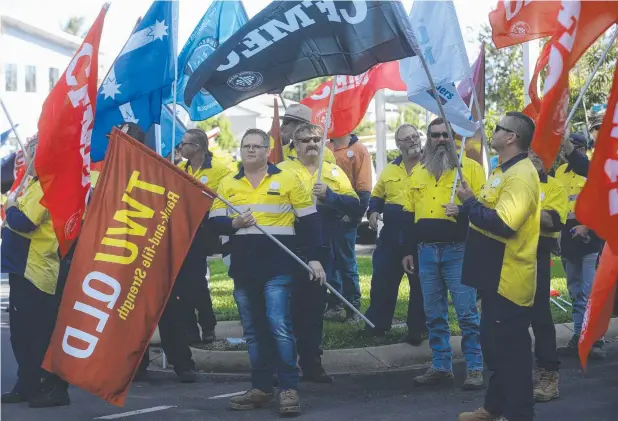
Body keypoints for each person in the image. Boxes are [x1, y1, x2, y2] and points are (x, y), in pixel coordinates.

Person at [209, 129, 326, 415]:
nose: (250, 151)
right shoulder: (227, 184)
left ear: (267, 150)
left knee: (279, 327)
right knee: (253, 332)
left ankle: (288, 388)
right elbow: (212, 224)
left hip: (279, 268)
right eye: (245, 146)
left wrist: (315, 259)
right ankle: (261, 387)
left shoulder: (288, 179)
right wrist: (234, 224)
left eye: (256, 146)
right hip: (243, 270)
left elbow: (311, 223)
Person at [458, 112, 540, 421]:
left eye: (498, 128)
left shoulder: (520, 175)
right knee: (495, 348)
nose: (492, 131)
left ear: (511, 138)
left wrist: (468, 203)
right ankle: (494, 408)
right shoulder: (503, 172)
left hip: (509, 277)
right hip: (491, 274)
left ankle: (519, 414)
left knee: (511, 352)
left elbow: (505, 224)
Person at [401, 118, 485, 390]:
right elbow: (408, 215)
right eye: (434, 135)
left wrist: (462, 212)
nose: (440, 140)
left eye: (445, 135)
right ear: (427, 138)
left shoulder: (470, 169)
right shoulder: (418, 171)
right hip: (425, 251)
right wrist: (407, 251)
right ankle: (441, 365)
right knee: (434, 313)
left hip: (458, 250)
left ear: (453, 138)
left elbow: (485, 211)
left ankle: (474, 367)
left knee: (467, 313)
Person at [279, 123, 363, 383]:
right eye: (305, 140)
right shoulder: (281, 171)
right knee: (286, 309)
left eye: (316, 139)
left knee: (314, 309)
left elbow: (356, 206)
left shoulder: (334, 172)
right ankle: (284, 365)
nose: (312, 144)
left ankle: (312, 363)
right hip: (289, 249)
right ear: (294, 145)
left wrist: (331, 196)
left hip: (322, 249)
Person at [1, 142, 70, 408]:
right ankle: (26, 384)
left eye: (32, 152)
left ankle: (51, 387)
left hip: (36, 269)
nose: (27, 157)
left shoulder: (47, 186)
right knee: (20, 334)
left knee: (37, 335)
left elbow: (24, 223)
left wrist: (10, 206)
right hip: (21, 269)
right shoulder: (34, 183)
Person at [362, 124, 426, 345]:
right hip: (390, 233)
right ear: (398, 145)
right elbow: (377, 195)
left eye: (414, 136)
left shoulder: (431, 166)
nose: (412, 141)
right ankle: (377, 324)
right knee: (382, 281)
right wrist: (373, 211)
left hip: (418, 231)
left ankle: (417, 330)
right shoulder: (390, 169)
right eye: (406, 139)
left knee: (419, 284)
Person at [176, 128, 231, 345]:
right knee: (181, 283)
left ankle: (208, 325)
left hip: (204, 232)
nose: (180, 147)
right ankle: (190, 330)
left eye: (184, 144)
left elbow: (226, 199)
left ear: (196, 147)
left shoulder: (220, 170)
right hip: (181, 231)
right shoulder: (180, 169)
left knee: (196, 282)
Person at [554, 133, 606, 359]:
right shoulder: (559, 172)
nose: (568, 151)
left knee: (589, 291)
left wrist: (586, 226)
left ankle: (595, 339)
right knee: (575, 290)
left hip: (590, 235)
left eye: (574, 147)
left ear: (583, 149)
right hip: (567, 235)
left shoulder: (594, 171)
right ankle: (578, 334)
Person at [528, 150, 568, 403]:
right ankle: (516, 375)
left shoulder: (553, 187)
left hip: (537, 255)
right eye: (527, 154)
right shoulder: (505, 178)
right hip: (508, 255)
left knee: (540, 316)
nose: (531, 160)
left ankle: (548, 376)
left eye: (535, 156)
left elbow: (553, 222)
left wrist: (525, 200)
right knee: (510, 319)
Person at [325, 132, 372, 321]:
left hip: (346, 216)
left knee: (346, 262)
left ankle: (353, 306)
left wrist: (354, 214)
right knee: (330, 262)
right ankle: (335, 304)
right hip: (326, 216)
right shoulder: (326, 148)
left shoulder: (359, 149)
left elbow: (364, 187)